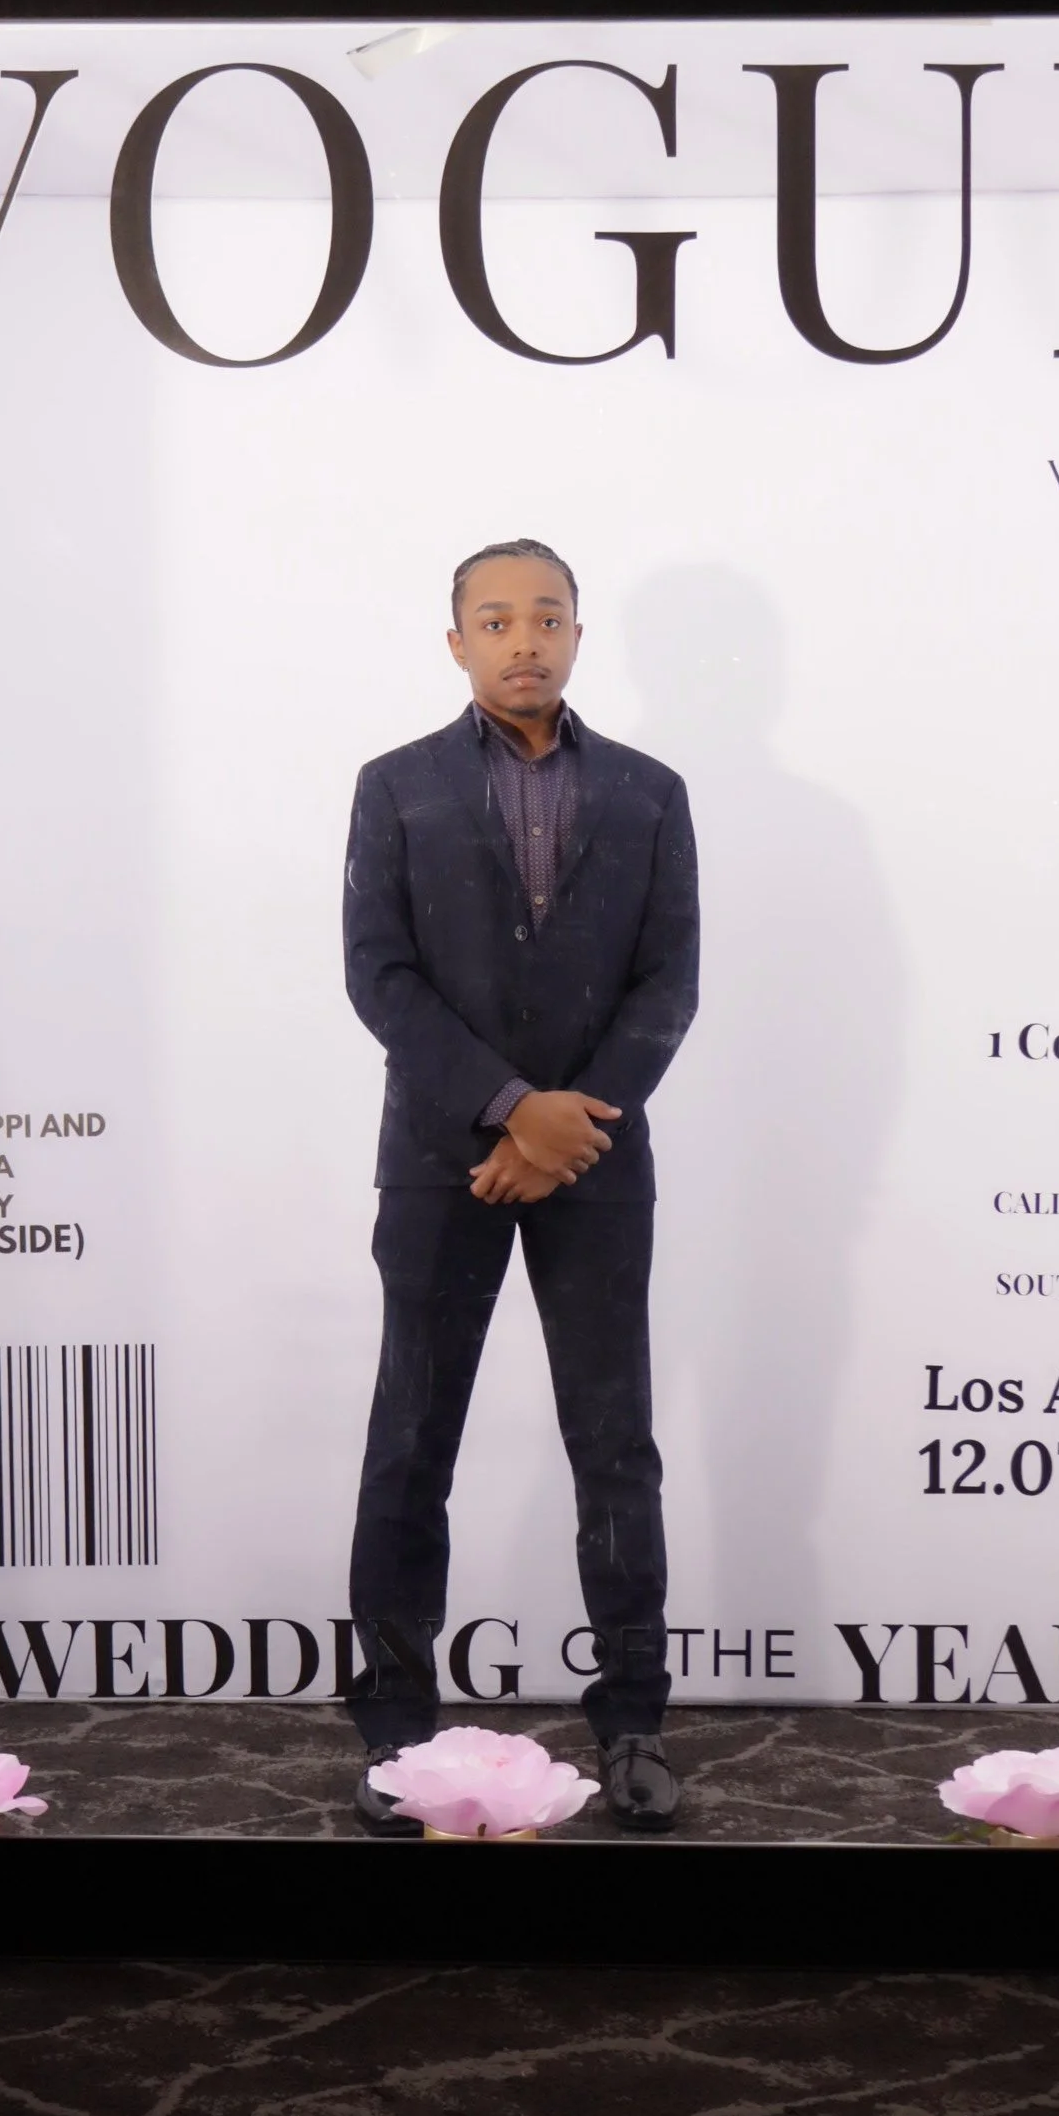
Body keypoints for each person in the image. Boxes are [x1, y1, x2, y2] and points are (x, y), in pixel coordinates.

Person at [341, 538, 699, 1833]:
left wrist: (566, 1128)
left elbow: (671, 984)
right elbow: (380, 976)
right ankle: (392, 1732)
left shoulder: (654, 795)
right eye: (495, 619)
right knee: (410, 1441)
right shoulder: (398, 789)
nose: (524, 639)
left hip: (598, 1168)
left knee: (617, 1450)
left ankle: (636, 1725)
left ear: (580, 635)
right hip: (446, 1164)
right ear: (456, 644)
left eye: (547, 616)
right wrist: (509, 1111)